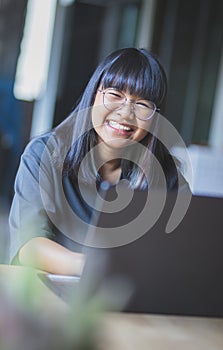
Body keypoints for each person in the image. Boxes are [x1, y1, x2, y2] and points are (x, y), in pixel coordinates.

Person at [9, 47, 188, 276]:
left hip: (132, 300)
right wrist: (98, 269)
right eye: (114, 95)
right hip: (50, 296)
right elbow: (28, 245)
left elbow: (182, 253)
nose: (126, 113)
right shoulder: (44, 154)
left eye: (142, 104)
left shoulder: (167, 174)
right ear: (94, 94)